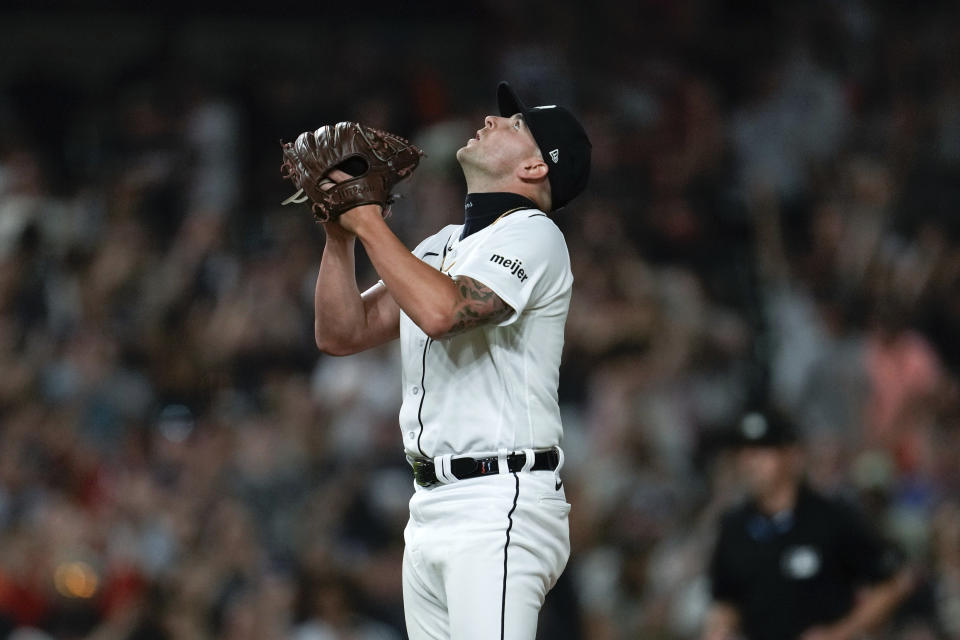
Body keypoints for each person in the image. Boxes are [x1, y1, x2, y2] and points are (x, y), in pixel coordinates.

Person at [311, 82, 591, 640]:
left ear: (537, 166)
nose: (492, 119)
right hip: (432, 507)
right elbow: (343, 332)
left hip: (500, 500)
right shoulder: (442, 245)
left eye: (515, 124)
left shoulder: (535, 235)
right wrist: (339, 232)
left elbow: (446, 311)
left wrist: (369, 221)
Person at [702, 409, 914, 640]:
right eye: (743, 453)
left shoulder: (830, 518)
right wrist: (720, 629)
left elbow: (894, 581)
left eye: (762, 451)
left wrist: (839, 633)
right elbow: (726, 598)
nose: (749, 463)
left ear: (791, 455)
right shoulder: (734, 527)